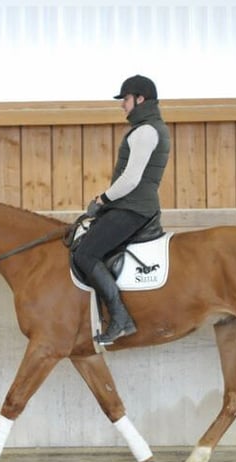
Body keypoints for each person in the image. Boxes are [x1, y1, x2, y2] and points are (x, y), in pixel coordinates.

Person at [72, 74, 171, 345]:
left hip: (133, 208)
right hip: (134, 205)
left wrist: (102, 199)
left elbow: (131, 179)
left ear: (140, 99)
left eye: (125, 99)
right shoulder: (150, 128)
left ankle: (120, 319)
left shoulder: (145, 131)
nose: (122, 105)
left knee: (85, 253)